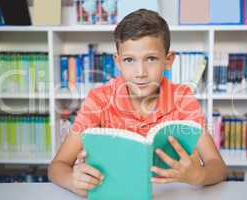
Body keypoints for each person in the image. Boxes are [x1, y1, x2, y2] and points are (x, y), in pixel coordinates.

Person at [48, 9, 227, 198]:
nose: (140, 72)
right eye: (129, 60)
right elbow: (57, 166)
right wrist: (73, 181)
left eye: (151, 59)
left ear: (168, 60)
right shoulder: (99, 99)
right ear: (118, 62)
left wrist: (200, 175)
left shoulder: (182, 98)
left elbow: (218, 167)